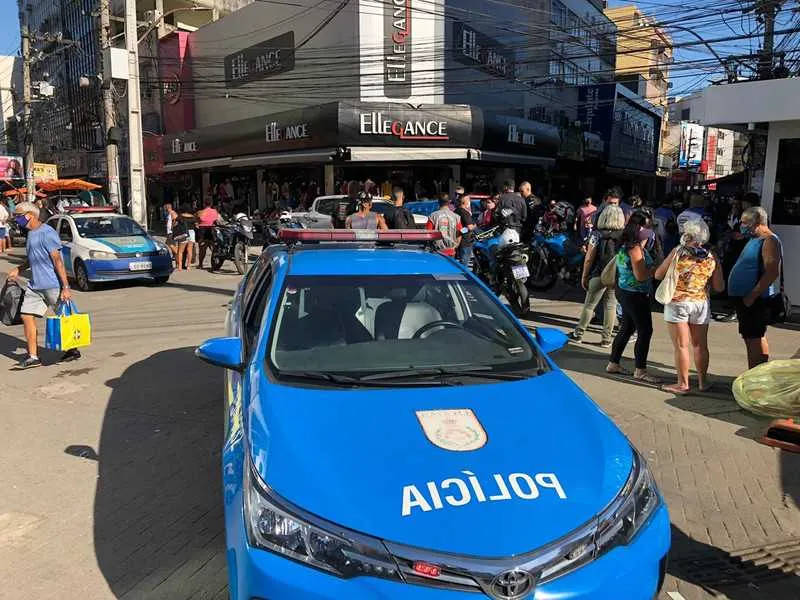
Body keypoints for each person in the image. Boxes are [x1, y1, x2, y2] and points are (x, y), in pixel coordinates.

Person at [655, 219, 725, 394]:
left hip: (678, 302)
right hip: (700, 303)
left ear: (687, 235)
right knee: (700, 345)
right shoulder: (711, 256)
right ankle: (703, 382)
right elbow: (719, 287)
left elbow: (658, 275)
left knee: (681, 345)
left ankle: (683, 384)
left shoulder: (678, 252)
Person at [6, 202, 76, 369]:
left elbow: (57, 260)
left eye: (18, 215)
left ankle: (73, 348)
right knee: (26, 315)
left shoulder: (47, 233)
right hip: (35, 285)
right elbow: (33, 258)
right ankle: (33, 356)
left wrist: (65, 287)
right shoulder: (31, 233)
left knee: (64, 317)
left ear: (30, 215)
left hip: (52, 285)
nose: (17, 219)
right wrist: (19, 269)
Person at [727, 206, 783, 368]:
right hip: (748, 299)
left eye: (745, 223)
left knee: (755, 338)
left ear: (757, 222)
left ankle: (755, 376)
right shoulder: (755, 239)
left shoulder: (769, 240)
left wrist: (751, 296)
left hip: (755, 299)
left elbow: (772, 272)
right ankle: (755, 373)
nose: (742, 226)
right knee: (751, 337)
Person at [607, 213, 659, 383]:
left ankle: (613, 363)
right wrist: (654, 271)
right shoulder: (635, 249)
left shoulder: (625, 245)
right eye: (647, 226)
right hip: (635, 294)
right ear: (638, 228)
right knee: (645, 330)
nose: (649, 230)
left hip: (625, 291)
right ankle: (641, 370)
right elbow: (640, 276)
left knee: (627, 327)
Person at [571, 205, 625, 347]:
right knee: (611, 306)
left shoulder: (596, 234)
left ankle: (578, 333)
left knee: (589, 305)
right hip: (614, 276)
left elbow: (589, 257)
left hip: (598, 273)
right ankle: (606, 339)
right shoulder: (623, 236)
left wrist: (584, 275)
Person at [195, 198, 221, 269]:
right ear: (211, 204)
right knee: (214, 247)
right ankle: (213, 262)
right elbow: (218, 219)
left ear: (204, 204)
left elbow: (197, 220)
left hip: (202, 230)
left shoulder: (200, 212)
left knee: (202, 249)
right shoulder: (215, 211)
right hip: (212, 229)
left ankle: (200, 264)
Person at [453, 194, 475, 267]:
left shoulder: (456, 210)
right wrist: (477, 224)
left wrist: (460, 232)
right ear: (464, 201)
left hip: (457, 240)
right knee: (464, 264)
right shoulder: (464, 213)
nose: (469, 201)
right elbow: (469, 227)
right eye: (468, 199)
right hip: (466, 241)